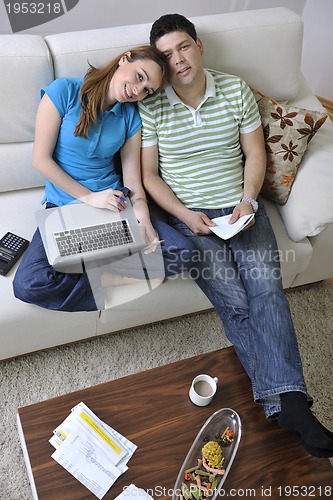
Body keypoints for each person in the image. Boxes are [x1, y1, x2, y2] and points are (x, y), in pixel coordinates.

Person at [138, 14, 333, 458]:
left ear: (199, 45)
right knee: (236, 301)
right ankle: (291, 403)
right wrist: (185, 216)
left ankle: (285, 403)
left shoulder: (234, 89)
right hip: (192, 218)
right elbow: (149, 176)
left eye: (183, 47)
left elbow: (255, 153)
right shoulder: (151, 105)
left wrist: (247, 200)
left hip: (242, 210)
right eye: (166, 55)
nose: (177, 60)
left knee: (268, 292)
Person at [13, 45, 195, 312]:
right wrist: (89, 197)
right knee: (29, 283)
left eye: (147, 91)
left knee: (184, 251)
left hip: (116, 206)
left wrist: (144, 222)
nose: (138, 91)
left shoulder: (131, 117)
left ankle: (99, 273)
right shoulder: (63, 91)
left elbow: (132, 181)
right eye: (140, 77)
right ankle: (112, 277)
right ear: (125, 59)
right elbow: (40, 160)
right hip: (64, 207)